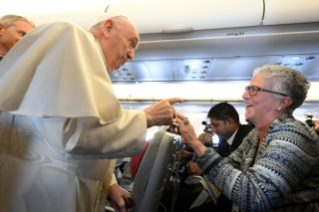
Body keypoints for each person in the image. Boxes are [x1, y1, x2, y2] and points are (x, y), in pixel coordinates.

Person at [0, 12, 182, 212]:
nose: (132, 55)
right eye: (131, 43)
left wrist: (110, 185)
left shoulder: (91, 70)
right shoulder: (69, 36)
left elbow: (86, 140)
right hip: (42, 195)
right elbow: (73, 133)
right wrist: (146, 118)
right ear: (108, 28)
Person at [177, 65, 319, 212]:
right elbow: (229, 165)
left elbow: (256, 199)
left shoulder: (293, 135)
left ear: (281, 102)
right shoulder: (255, 134)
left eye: (254, 90)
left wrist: (195, 142)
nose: (245, 95)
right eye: (248, 88)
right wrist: (198, 157)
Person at [186, 103, 253, 211]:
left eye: (215, 125)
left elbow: (234, 168)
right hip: (224, 196)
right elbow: (219, 158)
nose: (212, 130)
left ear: (230, 122)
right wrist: (191, 155)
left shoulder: (247, 137)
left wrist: (203, 168)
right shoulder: (224, 139)